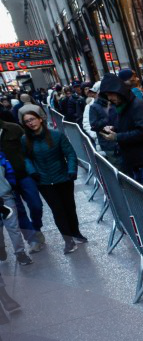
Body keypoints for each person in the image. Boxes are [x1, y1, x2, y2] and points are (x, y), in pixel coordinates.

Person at [20, 105, 86, 254]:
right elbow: (25, 158)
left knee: (69, 208)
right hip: (44, 181)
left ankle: (75, 232)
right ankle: (68, 240)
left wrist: (71, 170)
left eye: (32, 119)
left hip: (63, 177)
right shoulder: (25, 140)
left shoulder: (56, 135)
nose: (30, 123)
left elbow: (69, 153)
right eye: (27, 121)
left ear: (40, 119)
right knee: (58, 211)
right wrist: (32, 171)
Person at [97, 73, 143, 203]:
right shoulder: (123, 107)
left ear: (118, 91)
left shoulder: (138, 106)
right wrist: (113, 129)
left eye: (111, 94)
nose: (109, 98)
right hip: (141, 163)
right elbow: (130, 127)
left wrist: (117, 136)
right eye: (107, 96)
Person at [0, 113, 45, 253]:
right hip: (5, 181)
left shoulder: (13, 128)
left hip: (24, 174)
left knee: (36, 205)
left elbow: (28, 148)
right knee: (19, 212)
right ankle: (32, 239)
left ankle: (36, 228)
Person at [0, 152, 31, 265]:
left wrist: (11, 185)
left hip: (5, 197)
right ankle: (1, 247)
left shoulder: (1, 156)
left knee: (13, 227)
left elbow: (9, 172)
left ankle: (20, 253)